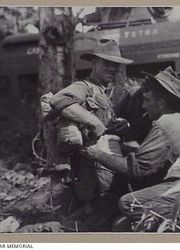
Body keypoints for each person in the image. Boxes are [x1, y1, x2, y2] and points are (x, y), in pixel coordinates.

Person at [82, 66, 180, 231]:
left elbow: (137, 169)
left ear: (161, 103)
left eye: (147, 100)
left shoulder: (164, 123)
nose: (144, 106)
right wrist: (122, 147)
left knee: (129, 203)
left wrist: (96, 154)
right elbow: (160, 157)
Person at [48, 39, 133, 232]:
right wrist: (93, 121)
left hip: (106, 165)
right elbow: (58, 100)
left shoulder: (104, 93)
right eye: (106, 63)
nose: (112, 68)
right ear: (93, 63)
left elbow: (102, 125)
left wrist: (120, 125)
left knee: (105, 214)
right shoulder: (84, 87)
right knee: (96, 219)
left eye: (115, 65)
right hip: (93, 169)